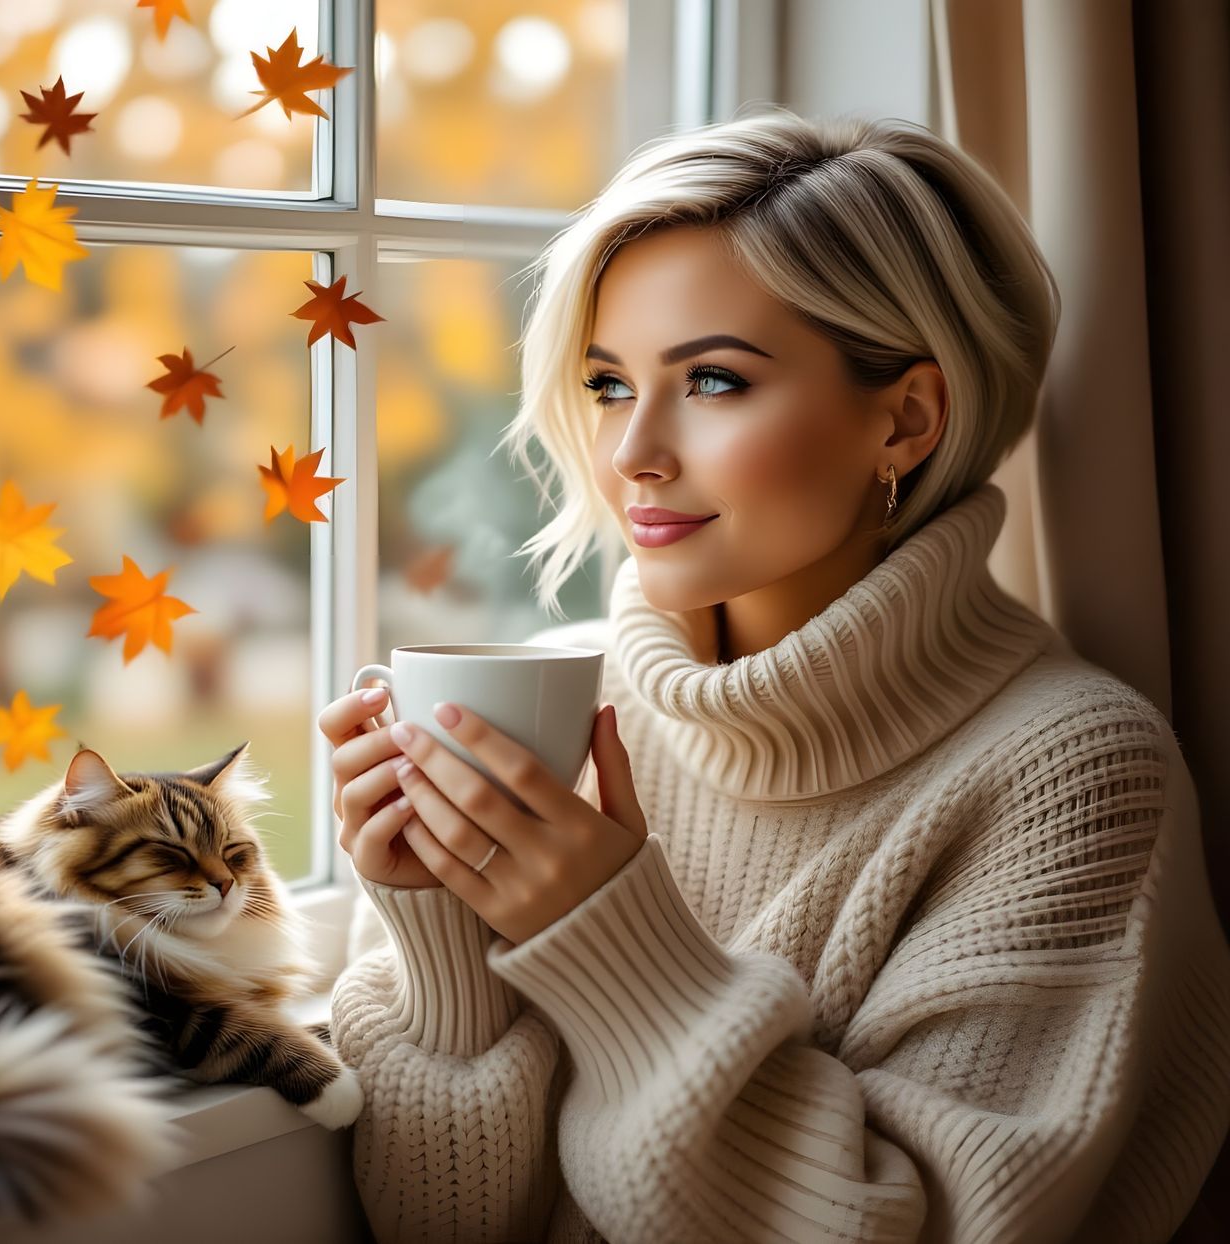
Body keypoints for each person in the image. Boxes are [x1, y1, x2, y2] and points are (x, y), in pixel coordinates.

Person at [318, 106, 1230, 1243]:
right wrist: (442, 940)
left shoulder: (1072, 770)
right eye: (607, 384)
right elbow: (442, 1219)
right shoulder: (548, 709)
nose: (633, 451)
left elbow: (917, 1224)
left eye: (710, 382)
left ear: (904, 419)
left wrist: (610, 939)